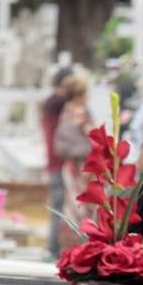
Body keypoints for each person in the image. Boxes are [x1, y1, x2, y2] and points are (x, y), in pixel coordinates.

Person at [53, 74, 93, 238]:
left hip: (76, 166)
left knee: (74, 207)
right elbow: (92, 139)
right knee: (79, 208)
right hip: (80, 167)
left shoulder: (67, 112)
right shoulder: (78, 114)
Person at [41, 67, 73, 257]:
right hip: (60, 164)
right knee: (60, 209)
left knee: (58, 207)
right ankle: (54, 248)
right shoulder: (59, 103)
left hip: (55, 163)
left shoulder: (51, 102)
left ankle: (54, 247)